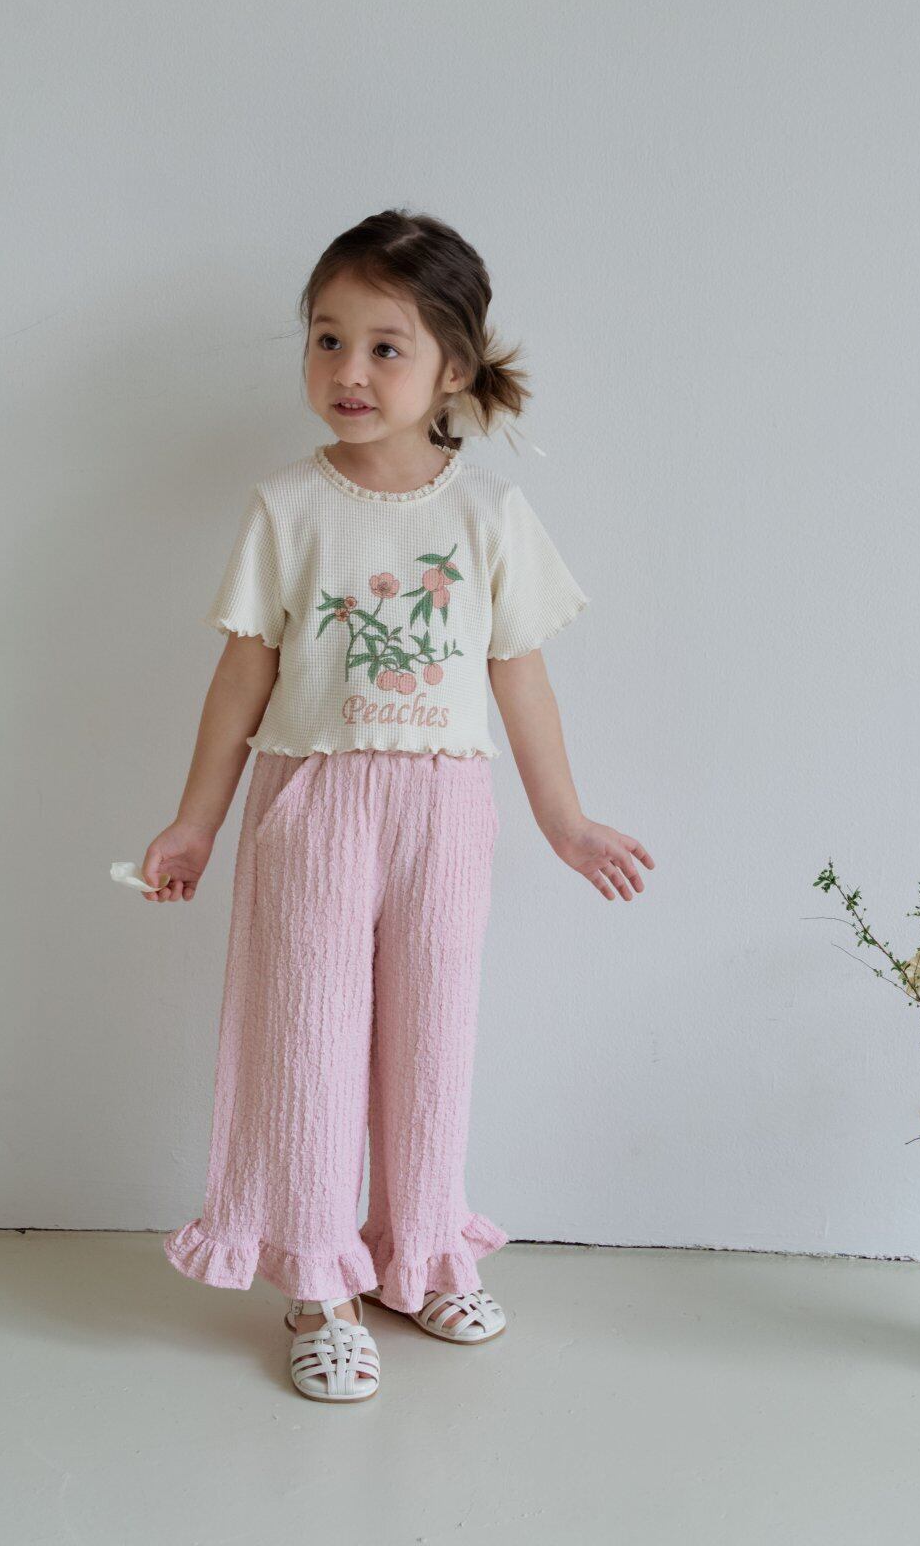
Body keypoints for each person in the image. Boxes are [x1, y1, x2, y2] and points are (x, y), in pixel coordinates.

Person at [147, 209, 654, 1401]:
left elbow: (517, 674)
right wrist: (195, 822)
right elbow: (242, 677)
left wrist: (564, 819)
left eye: (385, 347)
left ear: (452, 369)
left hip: (444, 810)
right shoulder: (286, 507)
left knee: (432, 1040)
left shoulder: (489, 515)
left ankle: (417, 1255)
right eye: (327, 339)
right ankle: (318, 1285)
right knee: (309, 1044)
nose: (349, 370)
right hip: (313, 803)